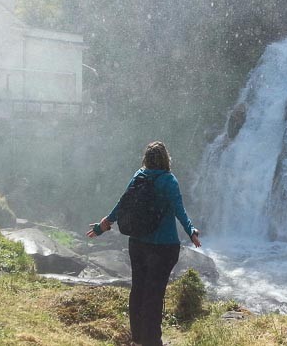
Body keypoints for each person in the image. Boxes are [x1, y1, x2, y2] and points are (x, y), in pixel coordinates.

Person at [86, 141, 201, 346]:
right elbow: (179, 211)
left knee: (138, 289)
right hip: (163, 247)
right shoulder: (169, 181)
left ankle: (138, 339)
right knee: (154, 295)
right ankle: (153, 341)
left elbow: (122, 203)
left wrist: (103, 225)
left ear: (146, 159)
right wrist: (191, 231)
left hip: (137, 244)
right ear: (166, 159)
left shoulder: (138, 176)